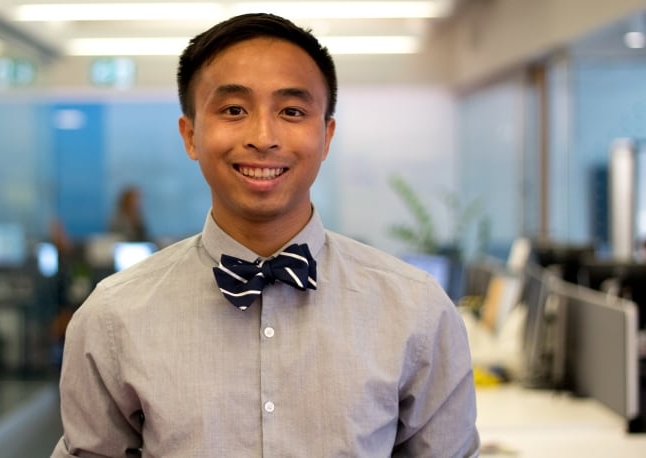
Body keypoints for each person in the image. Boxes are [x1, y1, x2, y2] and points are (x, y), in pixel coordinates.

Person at [52, 13, 480, 457]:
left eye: (292, 111)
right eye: (234, 110)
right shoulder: (112, 317)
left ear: (326, 135)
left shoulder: (417, 312)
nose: (263, 137)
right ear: (191, 134)